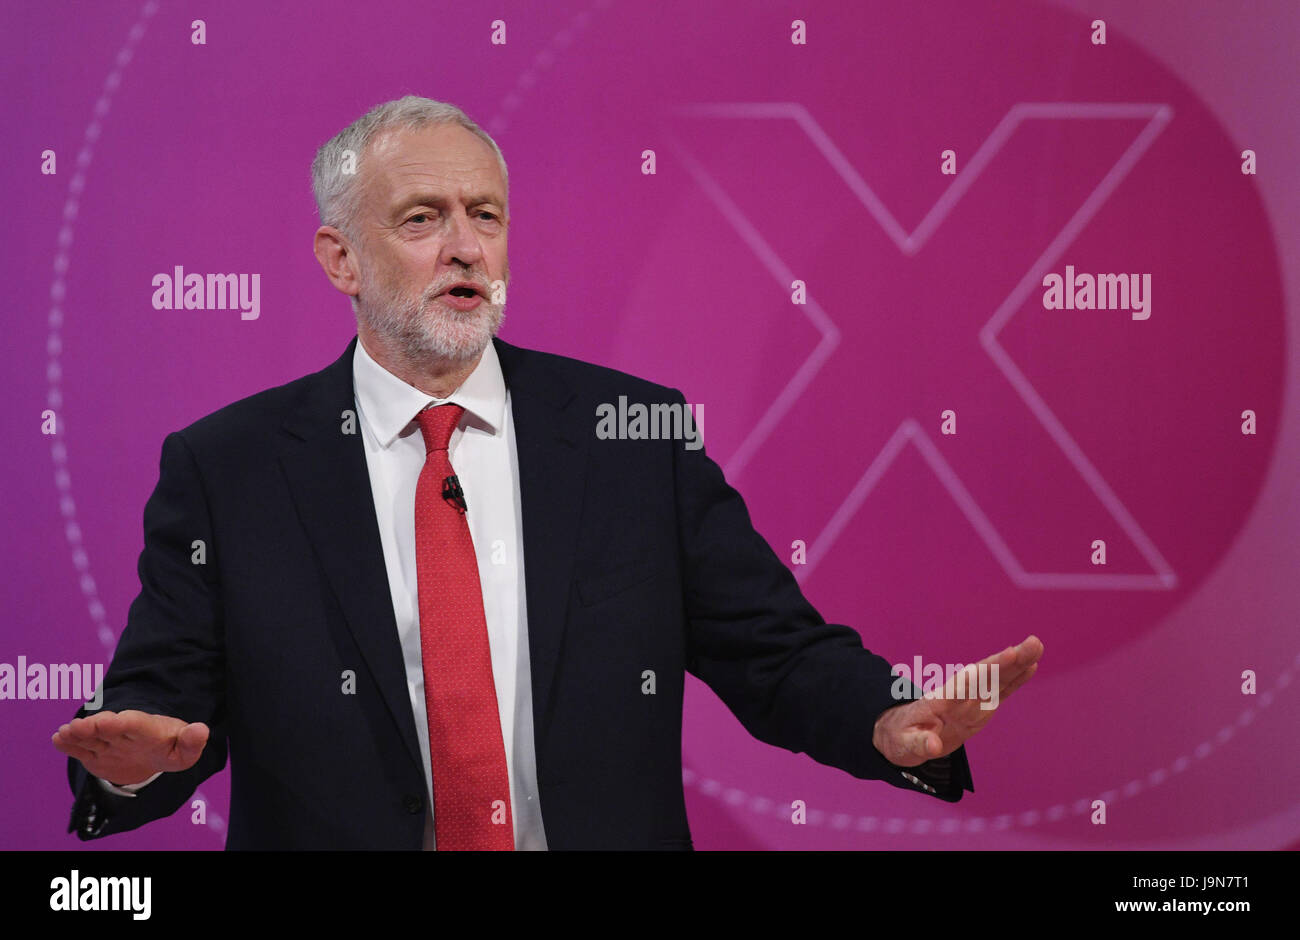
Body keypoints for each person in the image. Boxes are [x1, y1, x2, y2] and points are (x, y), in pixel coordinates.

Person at [53, 96, 1043, 850]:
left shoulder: (633, 434)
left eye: (484, 215)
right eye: (421, 219)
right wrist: (139, 764)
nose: (465, 246)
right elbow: (164, 709)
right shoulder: (228, 467)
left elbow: (774, 652)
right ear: (339, 258)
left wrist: (888, 716)